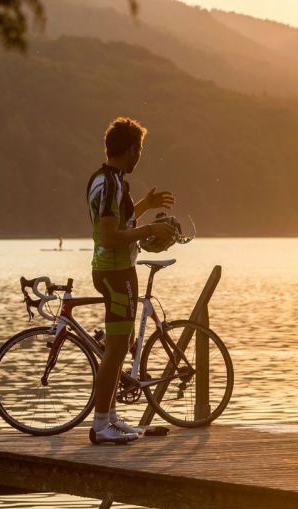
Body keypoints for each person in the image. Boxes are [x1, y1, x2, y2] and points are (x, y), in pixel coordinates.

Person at [87, 117, 177, 445]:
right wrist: (149, 230)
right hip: (115, 271)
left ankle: (109, 417)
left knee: (121, 345)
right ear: (128, 149)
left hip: (114, 269)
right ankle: (100, 424)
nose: (140, 155)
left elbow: (118, 222)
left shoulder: (108, 179)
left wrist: (145, 206)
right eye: (139, 149)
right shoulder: (110, 184)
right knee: (115, 349)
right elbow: (111, 237)